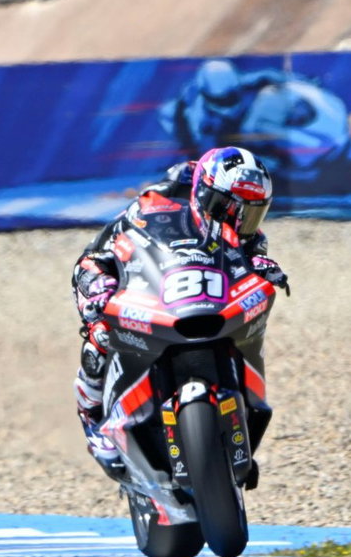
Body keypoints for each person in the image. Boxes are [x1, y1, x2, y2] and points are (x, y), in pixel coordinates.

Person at [69, 146, 289, 480]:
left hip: (199, 297)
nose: (239, 221)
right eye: (230, 209)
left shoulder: (247, 234)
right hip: (119, 278)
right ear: (205, 194)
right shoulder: (155, 206)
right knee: (99, 333)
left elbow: (250, 258)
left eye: (250, 213)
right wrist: (100, 286)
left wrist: (264, 266)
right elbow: (101, 254)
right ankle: (92, 418)